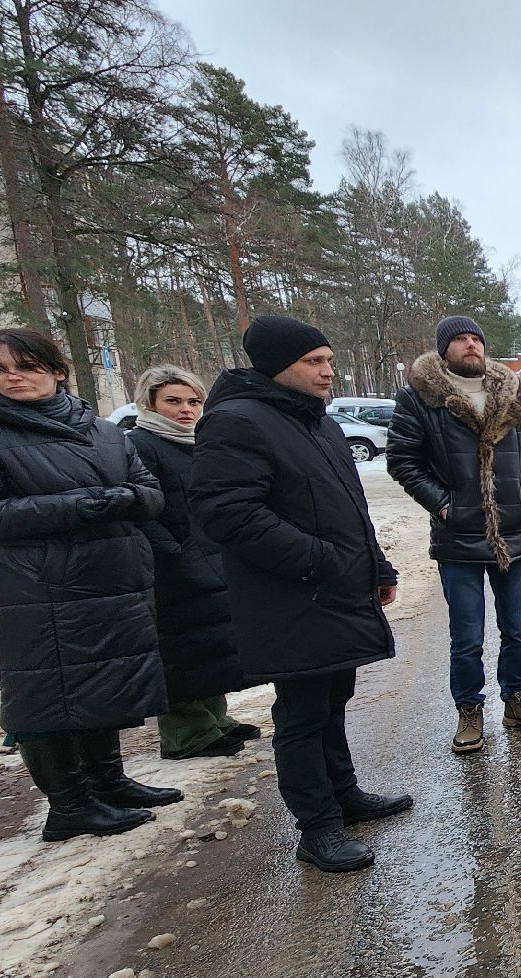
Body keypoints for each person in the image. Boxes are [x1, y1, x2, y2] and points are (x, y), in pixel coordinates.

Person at [191, 315, 411, 874]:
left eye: (329, 361)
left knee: (333, 699)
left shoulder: (317, 423)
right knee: (302, 713)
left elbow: (349, 508)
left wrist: (374, 564)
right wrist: (320, 561)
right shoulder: (237, 422)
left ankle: (344, 795)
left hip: (335, 590)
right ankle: (316, 828)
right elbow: (229, 514)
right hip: (290, 598)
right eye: (315, 362)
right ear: (276, 364)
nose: (327, 372)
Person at [0, 328, 180, 842]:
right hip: (40, 588)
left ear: (58, 371)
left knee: (101, 681)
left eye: (26, 365)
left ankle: (108, 782)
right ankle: (68, 804)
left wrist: (127, 499)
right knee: (47, 692)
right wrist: (81, 504)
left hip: (112, 578)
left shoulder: (101, 429)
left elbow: (150, 491)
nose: (12, 376)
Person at [387, 316, 521, 754]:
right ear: (445, 350)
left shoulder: (509, 391)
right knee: (467, 636)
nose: (470, 345)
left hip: (515, 534)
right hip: (458, 538)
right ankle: (469, 711)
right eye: (460, 340)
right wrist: (444, 504)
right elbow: (403, 461)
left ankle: (517, 701)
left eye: (476, 338)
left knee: (517, 630)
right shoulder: (420, 398)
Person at [126, 365, 264, 761]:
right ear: (149, 402)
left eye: (193, 401)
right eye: (172, 401)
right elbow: (143, 511)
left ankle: (214, 718)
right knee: (180, 650)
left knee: (210, 643)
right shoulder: (140, 444)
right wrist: (171, 551)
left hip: (208, 555)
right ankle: (186, 733)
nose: (185, 410)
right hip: (170, 565)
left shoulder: (196, 441)